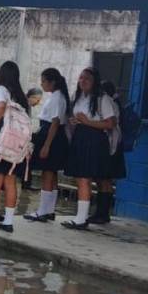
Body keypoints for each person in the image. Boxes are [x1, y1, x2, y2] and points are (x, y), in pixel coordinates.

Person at [62, 68, 117, 230]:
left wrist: (87, 122)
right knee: (80, 178)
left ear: (94, 82)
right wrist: (76, 122)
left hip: (94, 139)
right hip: (80, 137)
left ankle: (81, 218)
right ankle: (81, 216)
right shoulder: (78, 97)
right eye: (81, 78)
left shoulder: (101, 99)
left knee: (85, 178)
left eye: (87, 79)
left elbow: (110, 123)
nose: (83, 81)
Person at [0, 61, 30, 233]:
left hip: (2, 142)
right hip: (17, 147)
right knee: (11, 181)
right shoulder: (21, 96)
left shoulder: (0, 89)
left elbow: (1, 106)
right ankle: (8, 222)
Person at [24, 68, 70, 223]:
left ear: (52, 82)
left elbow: (55, 122)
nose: (41, 84)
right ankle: (49, 210)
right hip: (51, 134)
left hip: (51, 136)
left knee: (47, 173)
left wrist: (47, 145)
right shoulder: (57, 96)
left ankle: (43, 210)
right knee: (52, 173)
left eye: (44, 81)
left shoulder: (57, 97)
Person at [90, 80, 127, 224]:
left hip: (111, 146)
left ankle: (103, 213)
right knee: (102, 180)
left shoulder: (110, 104)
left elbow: (110, 126)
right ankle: (101, 212)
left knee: (105, 180)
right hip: (111, 146)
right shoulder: (113, 103)